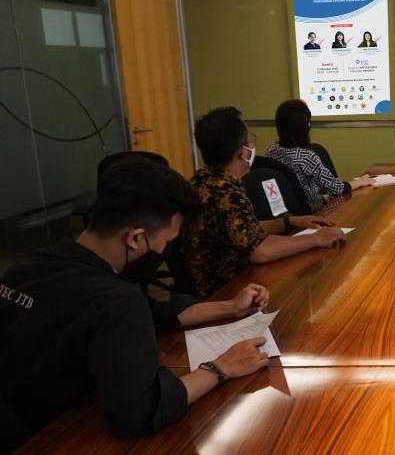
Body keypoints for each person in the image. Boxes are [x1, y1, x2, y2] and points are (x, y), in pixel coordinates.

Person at [0, 161, 273, 450]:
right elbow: (141, 411)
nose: (166, 252)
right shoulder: (116, 301)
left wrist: (231, 307)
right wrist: (222, 367)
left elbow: (154, 314)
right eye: (167, 242)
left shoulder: (28, 265)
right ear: (135, 238)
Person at [180, 107, 345, 298]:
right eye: (250, 139)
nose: (252, 143)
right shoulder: (226, 193)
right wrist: (316, 239)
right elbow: (261, 251)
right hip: (228, 292)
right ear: (243, 152)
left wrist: (288, 222)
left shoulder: (203, 180)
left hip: (219, 284)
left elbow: (243, 229)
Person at [267, 100, 372, 211]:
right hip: (312, 212)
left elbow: (297, 188)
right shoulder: (306, 157)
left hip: (289, 211)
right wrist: (360, 182)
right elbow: (336, 188)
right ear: (304, 126)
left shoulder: (271, 151)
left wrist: (320, 198)